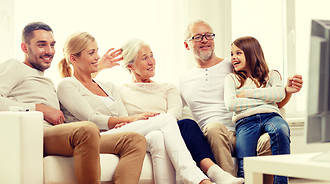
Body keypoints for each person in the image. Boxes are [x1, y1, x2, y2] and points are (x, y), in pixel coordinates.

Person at [0, 22, 147, 184]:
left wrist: (98, 67)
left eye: (52, 45)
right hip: (36, 134)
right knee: (87, 128)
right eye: (41, 45)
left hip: (60, 135)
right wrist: (39, 109)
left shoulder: (48, 81)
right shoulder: (15, 66)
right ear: (24, 47)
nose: (49, 51)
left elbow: (79, 88)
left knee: (134, 140)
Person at [57, 32, 213, 184]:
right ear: (73, 59)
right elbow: (91, 119)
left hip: (116, 135)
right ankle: (192, 175)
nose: (98, 56)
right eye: (91, 52)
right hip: (93, 138)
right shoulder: (67, 85)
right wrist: (130, 119)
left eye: (97, 51)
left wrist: (125, 121)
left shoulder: (109, 86)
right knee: (165, 119)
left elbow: (123, 117)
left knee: (158, 136)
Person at [180, 20, 303, 181]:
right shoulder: (182, 80)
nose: (205, 40)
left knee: (272, 135)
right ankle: (230, 180)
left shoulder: (233, 65)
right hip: (216, 137)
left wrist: (287, 91)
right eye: (197, 37)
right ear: (186, 45)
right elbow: (174, 112)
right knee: (214, 128)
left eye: (208, 35)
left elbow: (273, 100)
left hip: (246, 127)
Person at [117, 38, 244, 184]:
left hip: (169, 132)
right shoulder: (121, 91)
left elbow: (174, 114)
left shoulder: (167, 87)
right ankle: (206, 177)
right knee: (162, 131)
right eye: (144, 58)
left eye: (152, 55)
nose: (151, 61)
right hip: (142, 135)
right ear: (130, 66)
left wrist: (161, 122)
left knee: (187, 124)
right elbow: (122, 120)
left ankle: (213, 171)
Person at [224, 36, 291, 183]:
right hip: (245, 122)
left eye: (238, 53)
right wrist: (266, 98)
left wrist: (246, 94)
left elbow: (279, 94)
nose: (233, 57)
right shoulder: (232, 78)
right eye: (231, 54)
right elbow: (231, 104)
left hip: (271, 116)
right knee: (245, 166)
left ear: (251, 52)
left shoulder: (271, 75)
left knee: (281, 130)